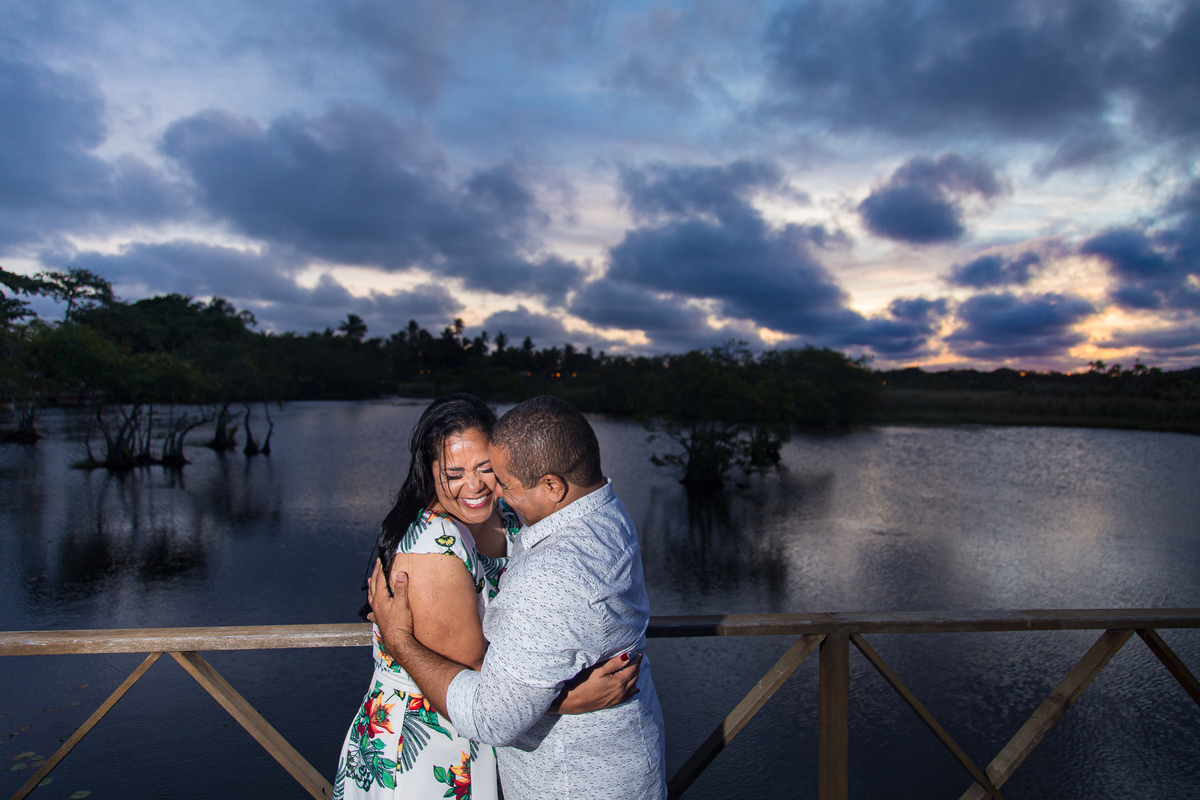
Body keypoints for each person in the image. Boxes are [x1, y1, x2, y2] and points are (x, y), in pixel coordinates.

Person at [336, 394, 639, 799]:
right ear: (429, 472)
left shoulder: (511, 514)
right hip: (428, 744)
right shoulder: (432, 548)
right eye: (454, 473)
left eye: (486, 469)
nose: (474, 486)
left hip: (483, 735)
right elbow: (477, 677)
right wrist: (569, 699)